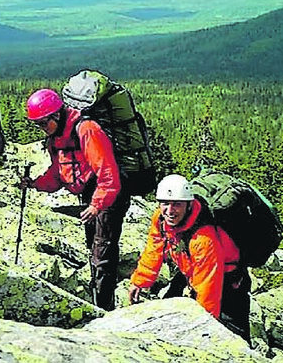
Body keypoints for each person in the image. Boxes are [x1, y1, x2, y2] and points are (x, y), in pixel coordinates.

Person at [22, 88, 129, 310]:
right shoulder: (57, 138)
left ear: (56, 115)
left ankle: (104, 307)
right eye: (38, 125)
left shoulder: (87, 130)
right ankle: (98, 293)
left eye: (43, 123)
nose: (42, 129)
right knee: (93, 247)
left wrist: (96, 205)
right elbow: (58, 174)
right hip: (91, 193)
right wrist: (34, 184)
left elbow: (108, 174)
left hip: (109, 194)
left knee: (103, 250)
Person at [128, 174, 250, 341]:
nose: (170, 211)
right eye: (165, 204)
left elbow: (208, 290)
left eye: (177, 204)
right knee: (167, 314)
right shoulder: (161, 219)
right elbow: (154, 249)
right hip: (191, 271)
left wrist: (203, 329)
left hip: (229, 281)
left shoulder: (203, 239)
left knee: (234, 337)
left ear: (189, 204)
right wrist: (139, 282)